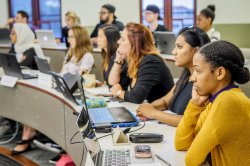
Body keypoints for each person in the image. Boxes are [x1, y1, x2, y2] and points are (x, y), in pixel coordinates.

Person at [175, 41, 250, 166]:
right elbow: (182, 144)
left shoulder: (228, 101)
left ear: (219, 73)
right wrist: (195, 105)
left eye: (198, 71)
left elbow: (192, 160)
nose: (193, 78)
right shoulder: (215, 100)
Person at [136, 26, 210, 126]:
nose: (173, 52)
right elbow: (165, 101)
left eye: (179, 47)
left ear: (196, 51)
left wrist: (154, 113)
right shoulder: (186, 75)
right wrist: (146, 109)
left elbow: (191, 120)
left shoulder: (205, 82)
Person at [110, 23, 174, 104]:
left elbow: (136, 97)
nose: (118, 42)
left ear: (135, 43)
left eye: (123, 39)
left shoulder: (151, 61)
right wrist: (118, 60)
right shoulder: (134, 60)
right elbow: (114, 84)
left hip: (164, 112)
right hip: (150, 110)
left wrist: (119, 93)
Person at [10, 23, 44, 155]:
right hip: (23, 88)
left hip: (36, 90)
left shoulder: (32, 49)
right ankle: (26, 132)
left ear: (21, 34)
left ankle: (28, 134)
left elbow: (21, 67)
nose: (10, 36)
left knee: (23, 100)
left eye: (13, 33)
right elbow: (10, 64)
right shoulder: (17, 47)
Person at [97, 24, 130, 90]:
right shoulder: (106, 56)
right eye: (98, 36)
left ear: (110, 38)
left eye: (101, 36)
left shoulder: (119, 56)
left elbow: (119, 84)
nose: (98, 40)